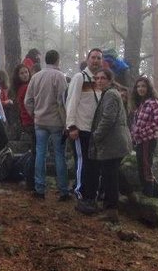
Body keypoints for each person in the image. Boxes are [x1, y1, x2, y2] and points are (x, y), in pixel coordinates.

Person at [77, 68, 131, 215]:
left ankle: (111, 210)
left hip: (113, 143)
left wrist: (96, 135)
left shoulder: (111, 95)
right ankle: (109, 206)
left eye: (103, 78)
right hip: (112, 143)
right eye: (97, 78)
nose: (99, 81)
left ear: (110, 80)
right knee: (110, 175)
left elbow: (108, 118)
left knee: (110, 177)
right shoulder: (107, 94)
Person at [25, 50, 70, 201]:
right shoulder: (60, 76)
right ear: (57, 60)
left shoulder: (36, 77)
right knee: (59, 155)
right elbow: (63, 101)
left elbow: (28, 100)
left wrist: (34, 114)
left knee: (40, 154)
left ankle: (39, 189)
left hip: (40, 121)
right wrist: (66, 122)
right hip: (57, 122)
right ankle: (63, 190)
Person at [65, 48, 104, 199]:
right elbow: (71, 102)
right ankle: (79, 191)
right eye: (93, 58)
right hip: (81, 128)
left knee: (93, 164)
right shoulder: (79, 77)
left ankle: (90, 192)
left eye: (99, 58)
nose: (95, 61)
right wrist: (71, 126)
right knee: (83, 161)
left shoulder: (100, 80)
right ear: (88, 59)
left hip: (95, 130)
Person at [130, 76, 158, 203]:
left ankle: (149, 197)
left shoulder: (153, 102)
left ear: (148, 88)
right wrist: (134, 134)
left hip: (148, 141)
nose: (141, 89)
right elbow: (137, 123)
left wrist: (142, 132)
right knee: (143, 167)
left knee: (146, 168)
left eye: (143, 86)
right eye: (138, 86)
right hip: (140, 141)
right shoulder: (141, 104)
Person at [12, 63, 36, 189]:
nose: (25, 74)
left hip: (26, 122)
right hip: (31, 122)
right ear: (17, 76)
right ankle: (31, 181)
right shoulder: (26, 88)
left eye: (26, 72)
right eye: (21, 73)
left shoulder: (21, 88)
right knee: (35, 152)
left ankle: (30, 179)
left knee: (33, 151)